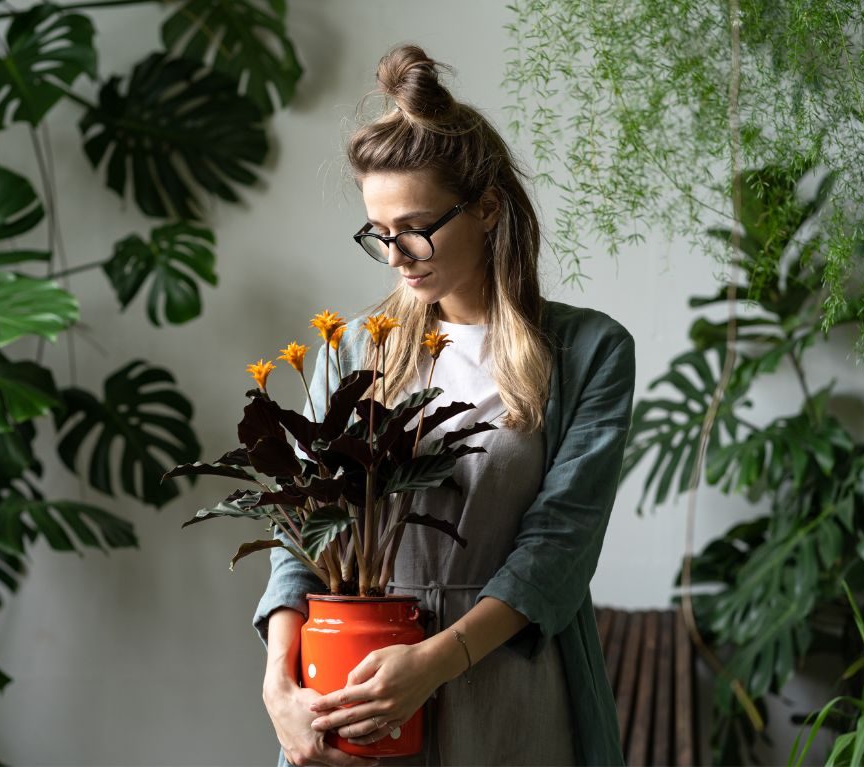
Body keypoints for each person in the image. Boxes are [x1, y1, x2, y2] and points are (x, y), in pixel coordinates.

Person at [253, 44, 635, 767]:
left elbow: (558, 549)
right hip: (355, 695)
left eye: (417, 227)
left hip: (508, 694)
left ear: (488, 207)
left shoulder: (589, 353)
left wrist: (433, 663)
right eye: (380, 233)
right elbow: (298, 530)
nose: (398, 255)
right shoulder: (352, 349)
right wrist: (280, 686)